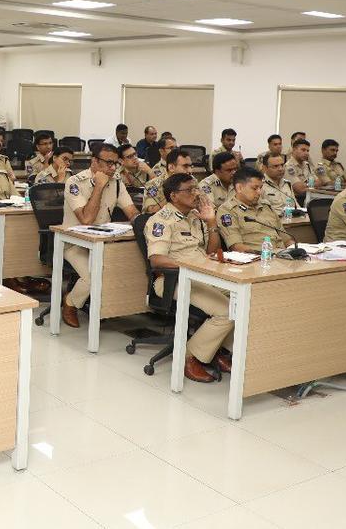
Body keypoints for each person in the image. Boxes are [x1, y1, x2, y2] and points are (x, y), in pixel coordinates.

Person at [144, 172, 232, 383]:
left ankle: (214, 349)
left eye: (196, 188)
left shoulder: (194, 216)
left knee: (244, 300)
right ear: (174, 196)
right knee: (227, 311)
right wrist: (191, 267)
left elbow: (211, 250)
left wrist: (211, 221)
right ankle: (190, 357)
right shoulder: (162, 220)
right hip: (173, 280)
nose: (196, 193)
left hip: (202, 275)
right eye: (189, 190)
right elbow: (156, 259)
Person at [60, 143, 138, 328]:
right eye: (108, 163)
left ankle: (113, 307)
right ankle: (70, 303)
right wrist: (99, 186)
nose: (112, 168)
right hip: (75, 244)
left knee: (130, 268)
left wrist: (142, 222)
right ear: (94, 161)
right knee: (93, 276)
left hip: (103, 242)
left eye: (115, 164)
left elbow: (132, 212)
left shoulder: (117, 183)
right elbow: (86, 219)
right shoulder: (75, 182)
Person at [219, 166, 291, 252]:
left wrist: (296, 250)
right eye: (255, 188)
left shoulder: (266, 206)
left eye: (260, 188)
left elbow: (287, 239)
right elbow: (237, 247)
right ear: (239, 188)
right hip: (259, 259)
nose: (259, 192)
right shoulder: (227, 210)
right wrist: (270, 254)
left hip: (282, 256)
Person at [143, 147, 194, 213]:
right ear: (171, 167)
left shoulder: (192, 182)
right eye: (185, 166)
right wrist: (174, 196)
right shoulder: (154, 184)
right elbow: (151, 211)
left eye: (191, 166)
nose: (190, 170)